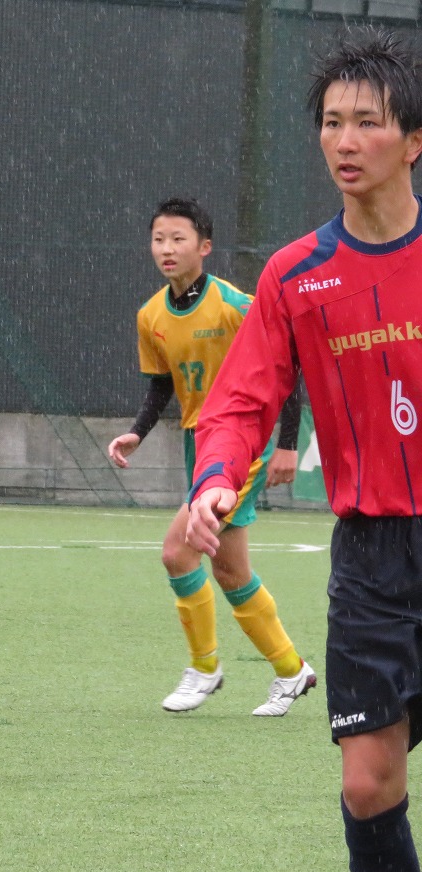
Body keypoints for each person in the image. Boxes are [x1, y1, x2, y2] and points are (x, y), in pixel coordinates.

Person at [186, 30, 422, 872]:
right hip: (372, 559)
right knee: (367, 784)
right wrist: (215, 480)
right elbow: (242, 401)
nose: (345, 140)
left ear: (414, 140)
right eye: (330, 122)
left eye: (368, 121)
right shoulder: (295, 274)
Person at [107, 197, 316, 717]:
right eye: (159, 239)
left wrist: (287, 445)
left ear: (205, 247)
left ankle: (205, 668)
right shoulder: (151, 315)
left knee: (178, 553)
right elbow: (161, 385)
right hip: (197, 444)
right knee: (230, 570)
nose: (167, 248)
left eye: (178, 239)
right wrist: (136, 433)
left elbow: (284, 369)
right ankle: (291, 670)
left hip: (243, 447)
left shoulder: (236, 306)